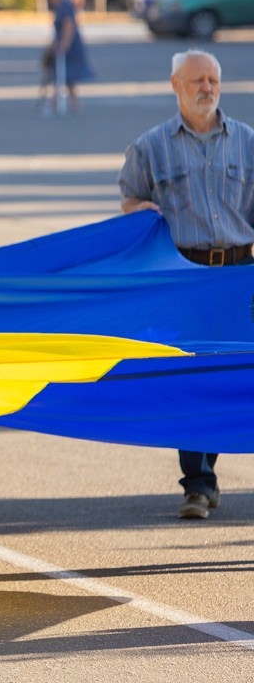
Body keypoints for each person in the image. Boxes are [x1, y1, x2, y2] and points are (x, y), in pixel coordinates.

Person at [118, 49, 254, 521]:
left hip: (238, 276)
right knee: (192, 377)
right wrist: (138, 211)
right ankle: (197, 484)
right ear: (175, 85)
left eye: (213, 80)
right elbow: (131, 199)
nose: (207, 88)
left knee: (229, 376)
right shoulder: (150, 147)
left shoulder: (248, 143)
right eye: (197, 80)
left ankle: (206, 471)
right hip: (185, 279)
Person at [44, 0, 94, 117]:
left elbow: (68, 27)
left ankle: (54, 102)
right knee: (68, 77)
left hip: (69, 46)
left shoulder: (64, 6)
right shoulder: (63, 5)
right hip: (66, 44)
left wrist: (62, 46)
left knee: (62, 75)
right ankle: (74, 103)